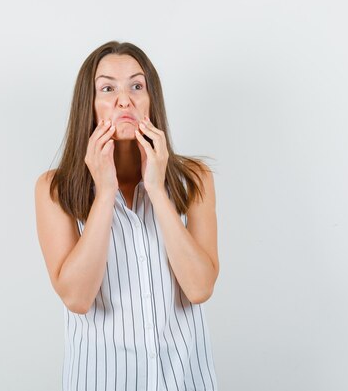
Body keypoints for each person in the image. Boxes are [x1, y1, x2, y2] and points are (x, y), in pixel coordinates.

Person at [34, 41, 219, 391]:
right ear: (88, 107)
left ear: (151, 100)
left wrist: (157, 190)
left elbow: (199, 288)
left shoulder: (194, 179)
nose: (125, 100)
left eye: (137, 86)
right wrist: (104, 193)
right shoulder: (53, 189)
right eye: (107, 88)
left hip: (185, 382)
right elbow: (77, 297)